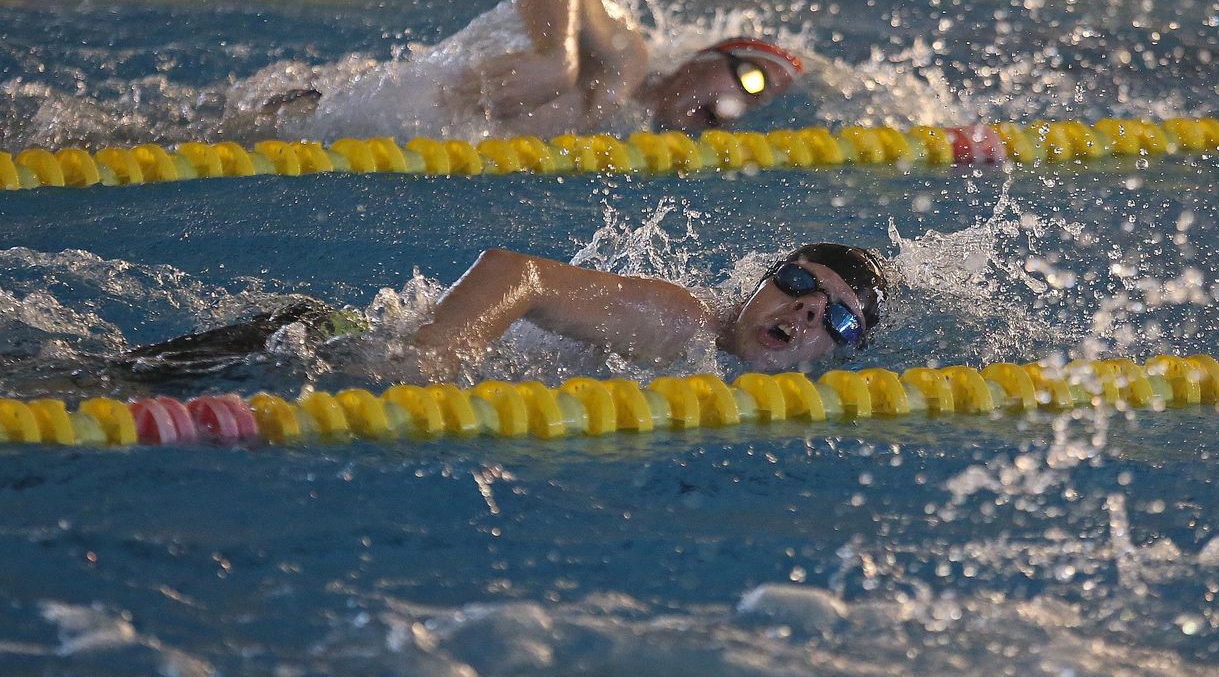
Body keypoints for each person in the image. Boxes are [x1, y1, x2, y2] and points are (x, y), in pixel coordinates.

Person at [252, 0, 805, 141]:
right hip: (324, 113)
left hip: (346, 140)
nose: (741, 103)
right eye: (750, 77)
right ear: (704, 58)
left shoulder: (621, 136)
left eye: (760, 102)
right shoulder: (622, 64)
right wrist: (555, 58)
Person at [121, 243, 890, 380]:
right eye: (797, 280)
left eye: (839, 320)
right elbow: (513, 271)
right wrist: (429, 362)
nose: (807, 309)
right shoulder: (683, 322)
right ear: (760, 281)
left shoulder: (715, 366)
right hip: (317, 345)